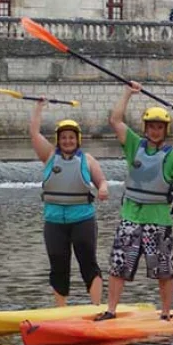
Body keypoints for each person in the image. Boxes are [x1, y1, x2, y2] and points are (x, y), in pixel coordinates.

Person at [95, 82, 173, 321]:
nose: (155, 131)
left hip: (158, 221)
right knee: (118, 266)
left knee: (164, 270)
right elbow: (115, 120)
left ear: (165, 130)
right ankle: (111, 310)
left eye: (159, 127)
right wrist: (128, 94)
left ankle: (165, 314)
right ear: (145, 128)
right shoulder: (134, 145)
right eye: (151, 127)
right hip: (130, 217)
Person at [30, 100, 108, 306]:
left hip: (82, 219)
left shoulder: (88, 160)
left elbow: (101, 181)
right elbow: (34, 134)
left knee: (87, 263)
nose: (67, 141)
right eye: (63, 138)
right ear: (58, 140)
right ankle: (61, 310)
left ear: (78, 139)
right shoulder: (48, 156)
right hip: (54, 221)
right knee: (58, 265)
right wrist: (39, 108)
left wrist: (102, 188)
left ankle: (97, 307)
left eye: (71, 137)